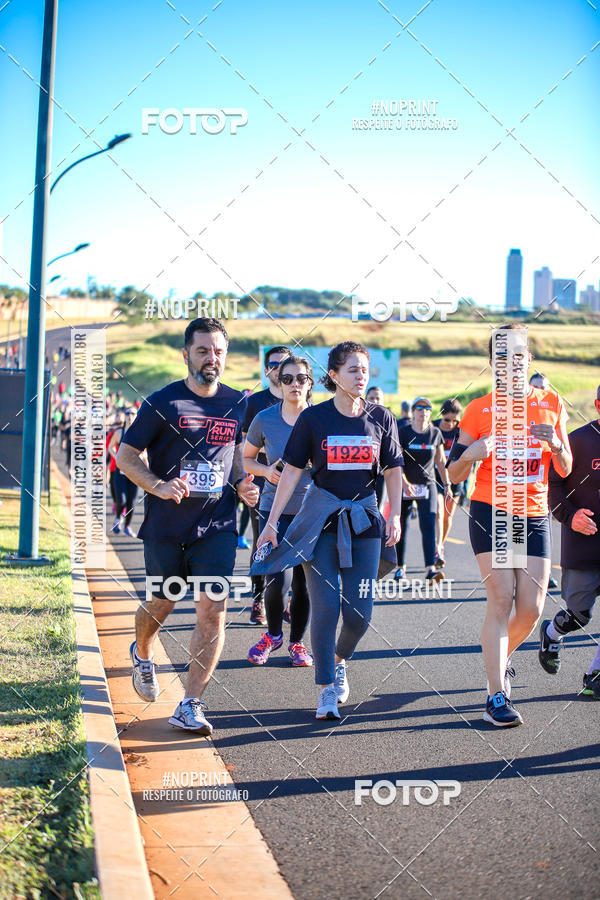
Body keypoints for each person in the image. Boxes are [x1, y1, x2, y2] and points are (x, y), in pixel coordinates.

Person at [116, 318, 259, 734]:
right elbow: (126, 457)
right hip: (166, 525)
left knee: (213, 609)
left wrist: (242, 485)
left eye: (218, 352)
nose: (211, 359)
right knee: (162, 603)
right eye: (202, 351)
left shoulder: (237, 403)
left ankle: (191, 702)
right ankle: (142, 650)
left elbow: (232, 455)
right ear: (186, 354)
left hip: (217, 524)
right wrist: (158, 485)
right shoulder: (163, 402)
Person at [252, 341, 403, 721]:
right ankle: (325, 690)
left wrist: (396, 515)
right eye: (352, 370)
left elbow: (394, 470)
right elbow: (292, 470)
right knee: (326, 606)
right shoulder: (314, 419)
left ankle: (338, 660)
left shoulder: (381, 418)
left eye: (364, 370)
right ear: (333, 376)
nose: (360, 376)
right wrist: (271, 523)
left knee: (359, 613)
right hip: (320, 522)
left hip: (365, 522)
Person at [448, 324, 572, 727]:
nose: (512, 363)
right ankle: (494, 695)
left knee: (532, 610)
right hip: (492, 510)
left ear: (529, 360)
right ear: (492, 364)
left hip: (532, 512)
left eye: (519, 355)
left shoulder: (552, 402)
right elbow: (452, 474)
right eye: (503, 356)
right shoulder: (478, 409)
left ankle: (499, 658)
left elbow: (566, 467)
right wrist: (472, 453)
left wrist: (554, 444)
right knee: (501, 598)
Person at [244, 355, 314, 667]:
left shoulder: (321, 419)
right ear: (279, 382)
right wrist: (266, 471)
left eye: (301, 378)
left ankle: (297, 643)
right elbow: (245, 459)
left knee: (304, 584)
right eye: (288, 379)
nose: (294, 384)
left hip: (311, 512)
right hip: (273, 508)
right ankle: (273, 635)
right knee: (275, 578)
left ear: (310, 383)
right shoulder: (264, 419)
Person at [539, 385, 600, 699]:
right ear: (598, 404)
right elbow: (553, 489)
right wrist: (571, 516)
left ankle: (594, 675)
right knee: (579, 614)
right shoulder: (576, 440)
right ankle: (552, 633)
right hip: (583, 547)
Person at [242, 345, 292, 625]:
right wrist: (266, 463)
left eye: (284, 364)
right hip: (262, 484)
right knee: (263, 541)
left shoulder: (301, 399)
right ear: (266, 370)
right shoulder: (254, 403)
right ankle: (258, 600)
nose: (279, 369)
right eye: (274, 364)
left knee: (294, 542)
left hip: (298, 486)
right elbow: (243, 448)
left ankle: (286, 601)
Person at [395, 397, 451, 583]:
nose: (423, 411)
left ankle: (430, 569)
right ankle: (400, 568)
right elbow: (397, 462)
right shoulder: (403, 433)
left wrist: (447, 484)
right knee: (401, 526)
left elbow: (441, 462)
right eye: (419, 408)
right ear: (413, 412)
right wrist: (403, 482)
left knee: (428, 525)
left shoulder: (435, 433)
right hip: (404, 485)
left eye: (427, 408)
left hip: (427, 485)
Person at [529, 372, 558, 587]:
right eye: (536, 387)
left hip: (543, 485)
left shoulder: (553, 414)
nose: (541, 391)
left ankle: (544, 574)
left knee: (543, 528)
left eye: (544, 388)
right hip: (513, 490)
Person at [433, 399, 464, 567]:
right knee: (438, 512)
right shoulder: (433, 427)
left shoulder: (461, 431)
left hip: (455, 477)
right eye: (447, 420)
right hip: (436, 476)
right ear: (441, 415)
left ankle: (441, 545)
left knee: (447, 515)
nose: (451, 424)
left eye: (455, 420)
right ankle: (437, 549)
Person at [110, 409, 140, 536]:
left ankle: (127, 526)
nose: (130, 416)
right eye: (127, 414)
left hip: (135, 472)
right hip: (121, 471)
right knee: (121, 500)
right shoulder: (119, 432)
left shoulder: (141, 432)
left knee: (131, 502)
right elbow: (110, 446)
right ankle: (117, 519)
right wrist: (117, 457)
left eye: (133, 414)